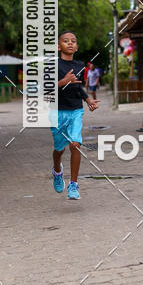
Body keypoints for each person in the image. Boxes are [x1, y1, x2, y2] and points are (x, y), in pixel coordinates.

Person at [51, 31, 99, 199]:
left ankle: (73, 185)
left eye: (73, 41)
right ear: (58, 46)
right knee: (59, 149)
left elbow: (77, 87)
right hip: (56, 112)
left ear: (77, 47)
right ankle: (57, 171)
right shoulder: (53, 66)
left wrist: (88, 100)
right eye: (65, 41)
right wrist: (63, 82)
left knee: (75, 144)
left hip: (76, 110)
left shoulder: (79, 65)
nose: (70, 43)